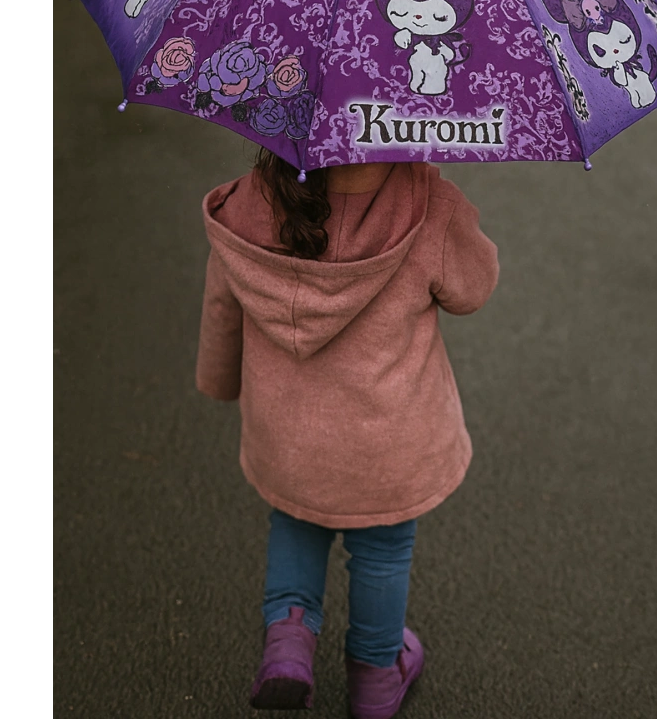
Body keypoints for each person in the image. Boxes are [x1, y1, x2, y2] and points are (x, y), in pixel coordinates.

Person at [197, 149, 500, 718]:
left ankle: (288, 644)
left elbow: (222, 306)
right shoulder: (430, 208)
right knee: (383, 550)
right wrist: (456, 215)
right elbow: (473, 288)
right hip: (386, 442)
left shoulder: (251, 201)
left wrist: (219, 380)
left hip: (286, 434)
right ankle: (376, 675)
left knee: (296, 523)